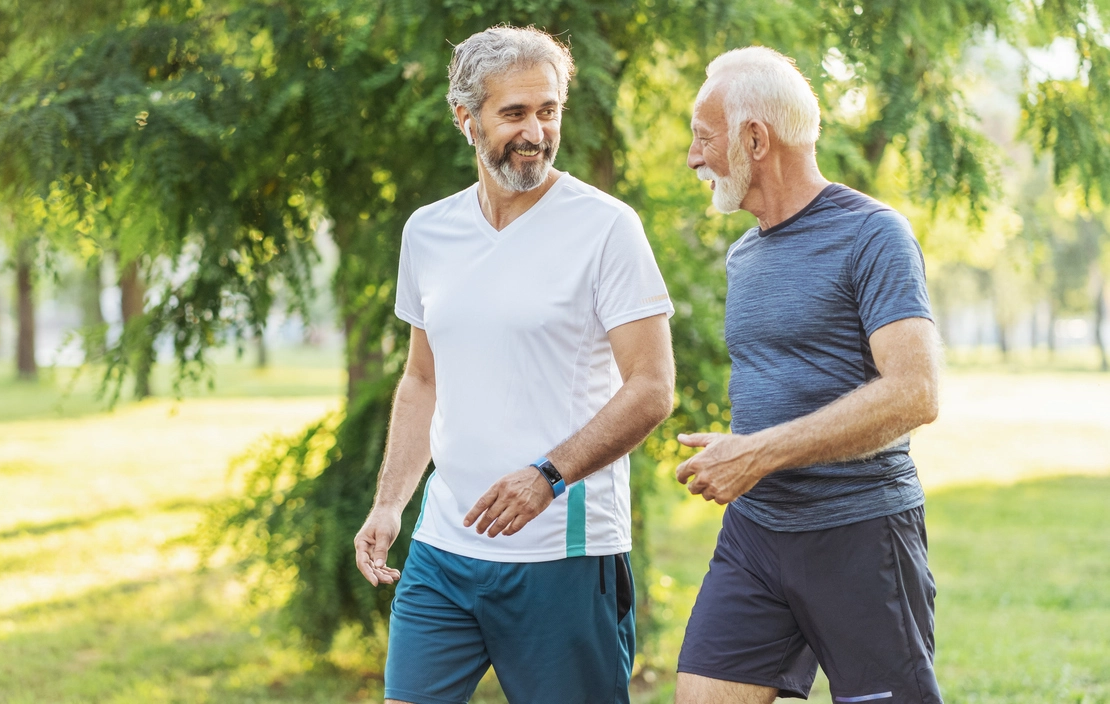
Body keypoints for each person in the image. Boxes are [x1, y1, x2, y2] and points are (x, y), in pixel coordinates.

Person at [351, 24, 676, 704]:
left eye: (549, 110)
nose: (535, 131)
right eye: (514, 113)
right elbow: (422, 378)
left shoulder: (606, 227)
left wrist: (547, 476)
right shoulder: (428, 232)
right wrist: (390, 502)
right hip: (444, 549)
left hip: (562, 551)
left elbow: (651, 388)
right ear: (466, 117)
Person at [675, 46, 944, 704]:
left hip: (860, 532)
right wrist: (745, 452)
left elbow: (916, 393)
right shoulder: (744, 255)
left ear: (754, 138)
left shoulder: (873, 235)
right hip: (756, 533)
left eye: (703, 138)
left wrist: (759, 453)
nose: (692, 157)